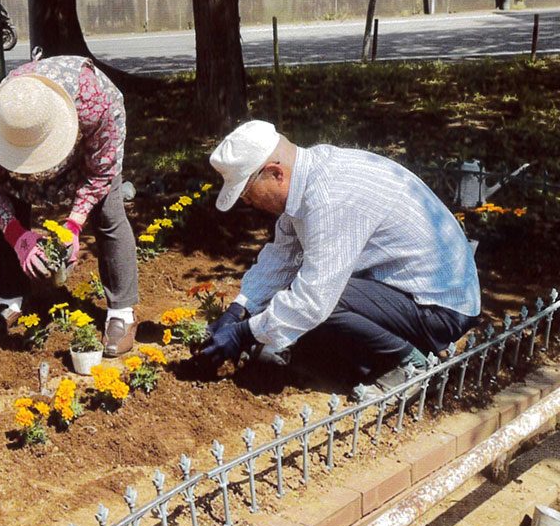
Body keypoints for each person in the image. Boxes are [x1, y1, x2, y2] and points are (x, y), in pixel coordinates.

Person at [199, 120, 481, 398]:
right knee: (305, 313)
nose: (247, 202)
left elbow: (315, 301)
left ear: (275, 173)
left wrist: (244, 334)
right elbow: (282, 255)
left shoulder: (329, 197)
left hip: (440, 307)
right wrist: (239, 310)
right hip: (406, 291)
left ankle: (408, 365)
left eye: (247, 192)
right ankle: (378, 353)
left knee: (322, 302)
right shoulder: (307, 179)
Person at [0, 56, 140, 355]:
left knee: (108, 211)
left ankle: (122, 314)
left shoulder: (94, 103)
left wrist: (73, 224)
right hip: (18, 152)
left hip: (89, 132)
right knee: (9, 207)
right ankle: (10, 297)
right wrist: (17, 237)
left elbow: (100, 173)